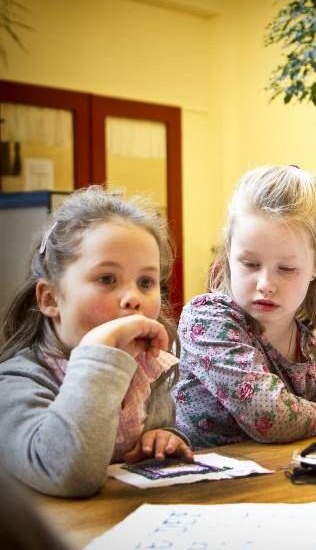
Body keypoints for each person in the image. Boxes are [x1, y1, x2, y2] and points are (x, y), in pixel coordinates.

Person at [0, 187, 192, 497]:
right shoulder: (16, 381)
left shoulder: (148, 373)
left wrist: (163, 437)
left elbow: (151, 442)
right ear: (50, 298)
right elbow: (66, 473)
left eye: (146, 282)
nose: (133, 298)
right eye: (107, 279)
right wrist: (98, 354)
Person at [174, 165, 316, 447]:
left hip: (281, 488)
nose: (265, 284)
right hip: (199, 488)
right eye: (250, 264)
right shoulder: (206, 319)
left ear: (315, 267)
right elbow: (270, 416)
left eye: (285, 268)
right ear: (229, 254)